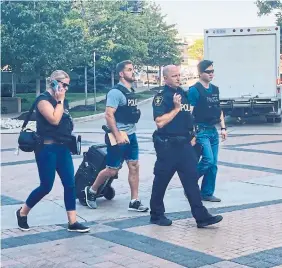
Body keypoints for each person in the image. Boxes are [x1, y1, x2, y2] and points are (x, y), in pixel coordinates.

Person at [16, 70, 90, 233]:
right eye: (63, 84)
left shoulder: (62, 101)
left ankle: (72, 222)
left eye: (67, 85)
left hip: (62, 148)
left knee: (70, 184)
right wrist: (60, 100)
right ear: (54, 82)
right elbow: (54, 119)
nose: (66, 88)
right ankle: (22, 212)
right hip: (46, 149)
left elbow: (65, 121)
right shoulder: (43, 100)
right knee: (46, 186)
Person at [149, 64, 223, 227]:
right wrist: (175, 109)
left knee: (191, 181)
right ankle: (156, 214)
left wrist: (193, 135)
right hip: (168, 146)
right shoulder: (162, 97)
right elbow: (159, 122)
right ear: (166, 78)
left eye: (179, 75)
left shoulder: (184, 93)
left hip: (185, 146)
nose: (178, 78)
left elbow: (189, 116)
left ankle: (201, 217)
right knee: (161, 181)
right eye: (174, 76)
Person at [85, 60, 148, 212]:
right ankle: (91, 191)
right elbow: (108, 115)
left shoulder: (130, 91)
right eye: (129, 70)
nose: (132, 72)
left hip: (131, 135)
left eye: (133, 69)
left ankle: (134, 201)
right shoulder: (115, 92)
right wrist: (117, 134)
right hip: (117, 135)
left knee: (134, 166)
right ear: (121, 74)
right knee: (112, 170)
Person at [188, 60, 227, 202]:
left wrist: (223, 127)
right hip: (201, 130)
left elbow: (218, 109)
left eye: (213, 71)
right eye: (208, 72)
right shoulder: (194, 90)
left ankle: (207, 192)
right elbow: (189, 113)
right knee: (208, 160)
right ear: (200, 73)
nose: (211, 74)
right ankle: (189, 183)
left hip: (213, 130)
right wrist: (191, 133)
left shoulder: (215, 89)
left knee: (213, 164)